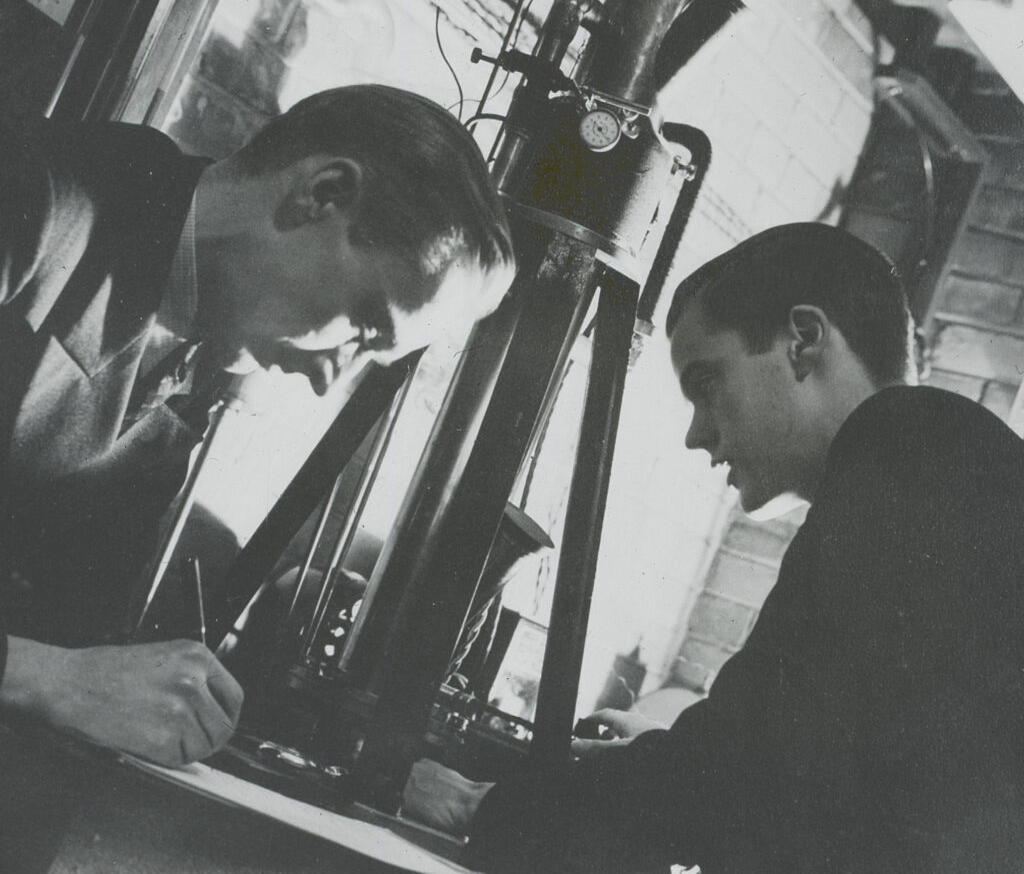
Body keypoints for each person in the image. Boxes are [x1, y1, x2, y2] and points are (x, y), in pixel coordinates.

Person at [403, 222, 1024, 873]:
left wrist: (483, 808)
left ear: (802, 343)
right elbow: (821, 771)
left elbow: (748, 771)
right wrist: (671, 755)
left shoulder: (908, 441)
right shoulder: (945, 463)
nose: (698, 436)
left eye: (707, 385)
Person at [0, 84, 515, 864]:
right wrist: (39, 677)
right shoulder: (29, 205)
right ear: (320, 194)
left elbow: (92, 641)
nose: (326, 381)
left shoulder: (187, 352)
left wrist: (346, 764)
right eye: (365, 328)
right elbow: (62, 670)